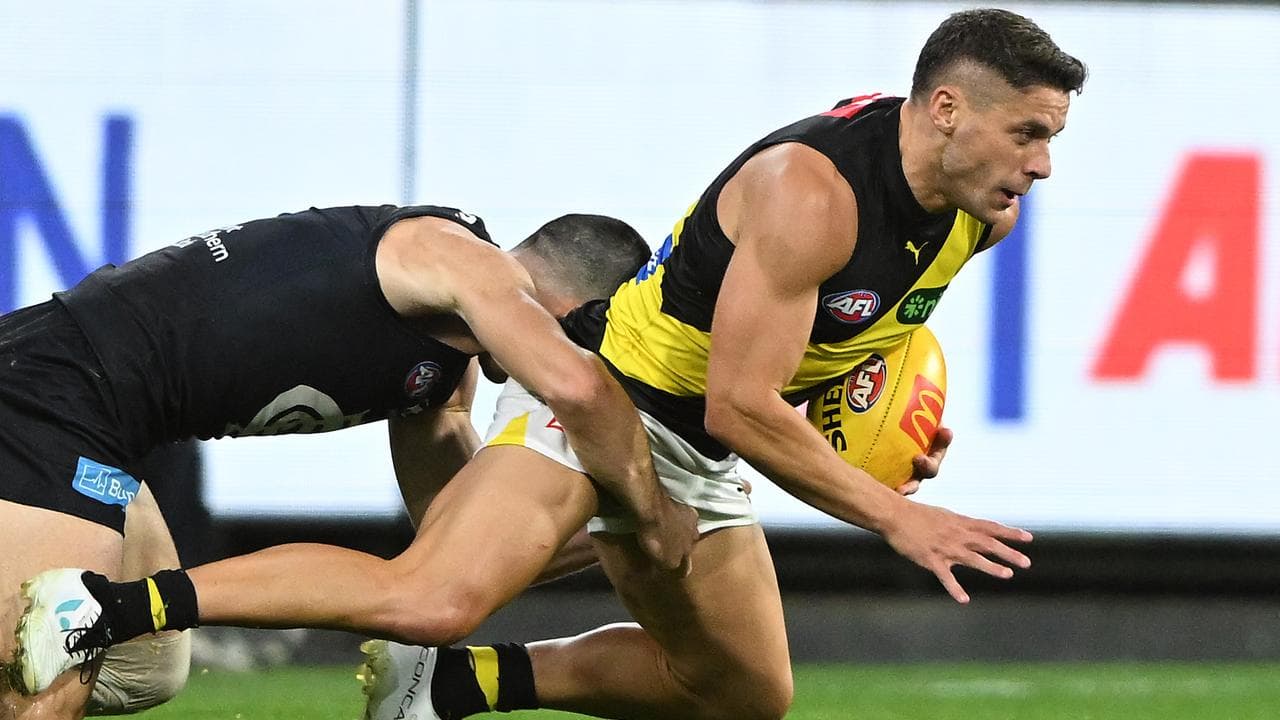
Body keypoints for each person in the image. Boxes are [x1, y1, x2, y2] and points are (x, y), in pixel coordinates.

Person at [19, 7, 1085, 720]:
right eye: (1028, 133)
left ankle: (463, 689)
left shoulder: (977, 215)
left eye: (1050, 139)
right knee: (428, 593)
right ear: (945, 110)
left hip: (697, 439)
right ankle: (114, 610)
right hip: (617, 403)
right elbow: (727, 399)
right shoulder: (806, 191)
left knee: (744, 692)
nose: (1041, 164)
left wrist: (882, 424)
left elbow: (838, 350)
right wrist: (892, 517)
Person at [1, 204, 698, 718]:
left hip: (106, 421)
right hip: (56, 391)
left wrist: (615, 536)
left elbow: (456, 544)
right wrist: (655, 506)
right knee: (48, 680)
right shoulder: (458, 260)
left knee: (148, 666)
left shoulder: (444, 374)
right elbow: (577, 388)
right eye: (591, 335)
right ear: (577, 312)